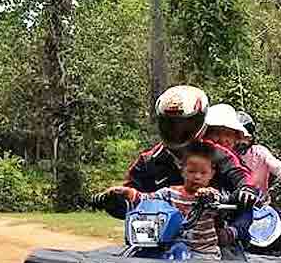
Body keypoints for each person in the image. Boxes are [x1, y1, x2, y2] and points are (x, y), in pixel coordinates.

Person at [110, 85, 256, 207]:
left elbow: (241, 176)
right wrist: (114, 200)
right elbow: (129, 194)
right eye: (171, 124)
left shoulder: (218, 154)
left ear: (200, 122)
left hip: (212, 230)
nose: (176, 130)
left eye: (184, 124)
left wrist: (246, 189)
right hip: (156, 233)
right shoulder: (148, 161)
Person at [120, 147, 231, 257]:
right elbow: (147, 199)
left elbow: (218, 198)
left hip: (203, 252)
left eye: (203, 173)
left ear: (211, 174)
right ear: (182, 170)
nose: (197, 176)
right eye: (191, 171)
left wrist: (207, 195)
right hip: (171, 248)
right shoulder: (169, 193)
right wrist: (130, 193)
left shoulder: (211, 195)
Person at [203, 105, 281, 200]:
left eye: (229, 134)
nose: (223, 139)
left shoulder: (257, 153)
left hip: (251, 200)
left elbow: (240, 176)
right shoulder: (196, 152)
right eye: (215, 133)